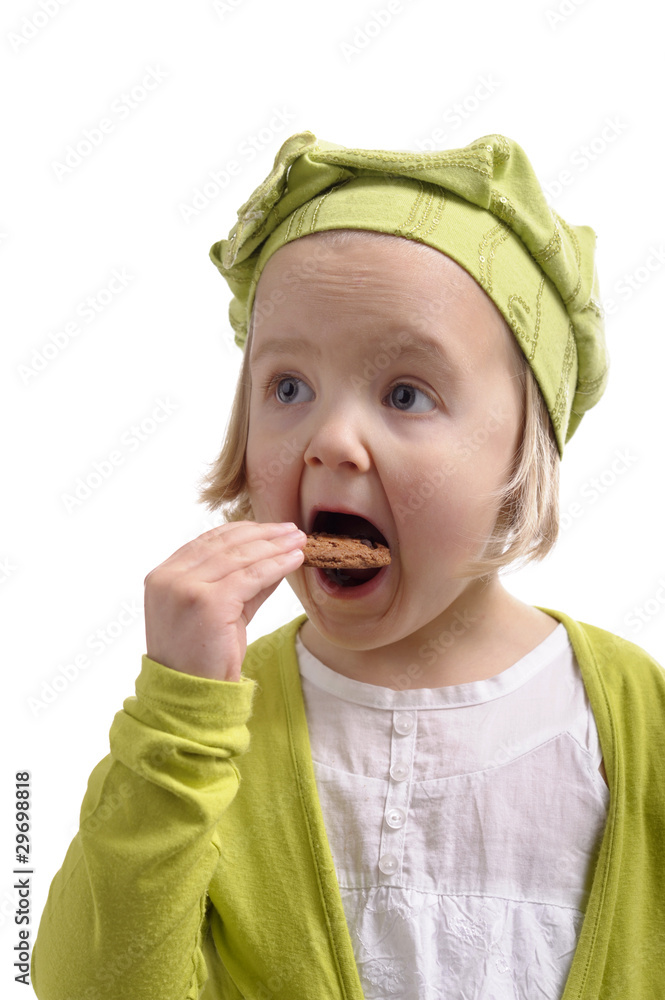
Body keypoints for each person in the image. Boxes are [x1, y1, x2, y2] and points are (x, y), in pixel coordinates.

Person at [32, 132, 665, 999]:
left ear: (526, 448)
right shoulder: (207, 727)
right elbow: (88, 986)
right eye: (288, 388)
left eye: (406, 393)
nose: (329, 440)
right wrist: (176, 716)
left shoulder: (633, 719)